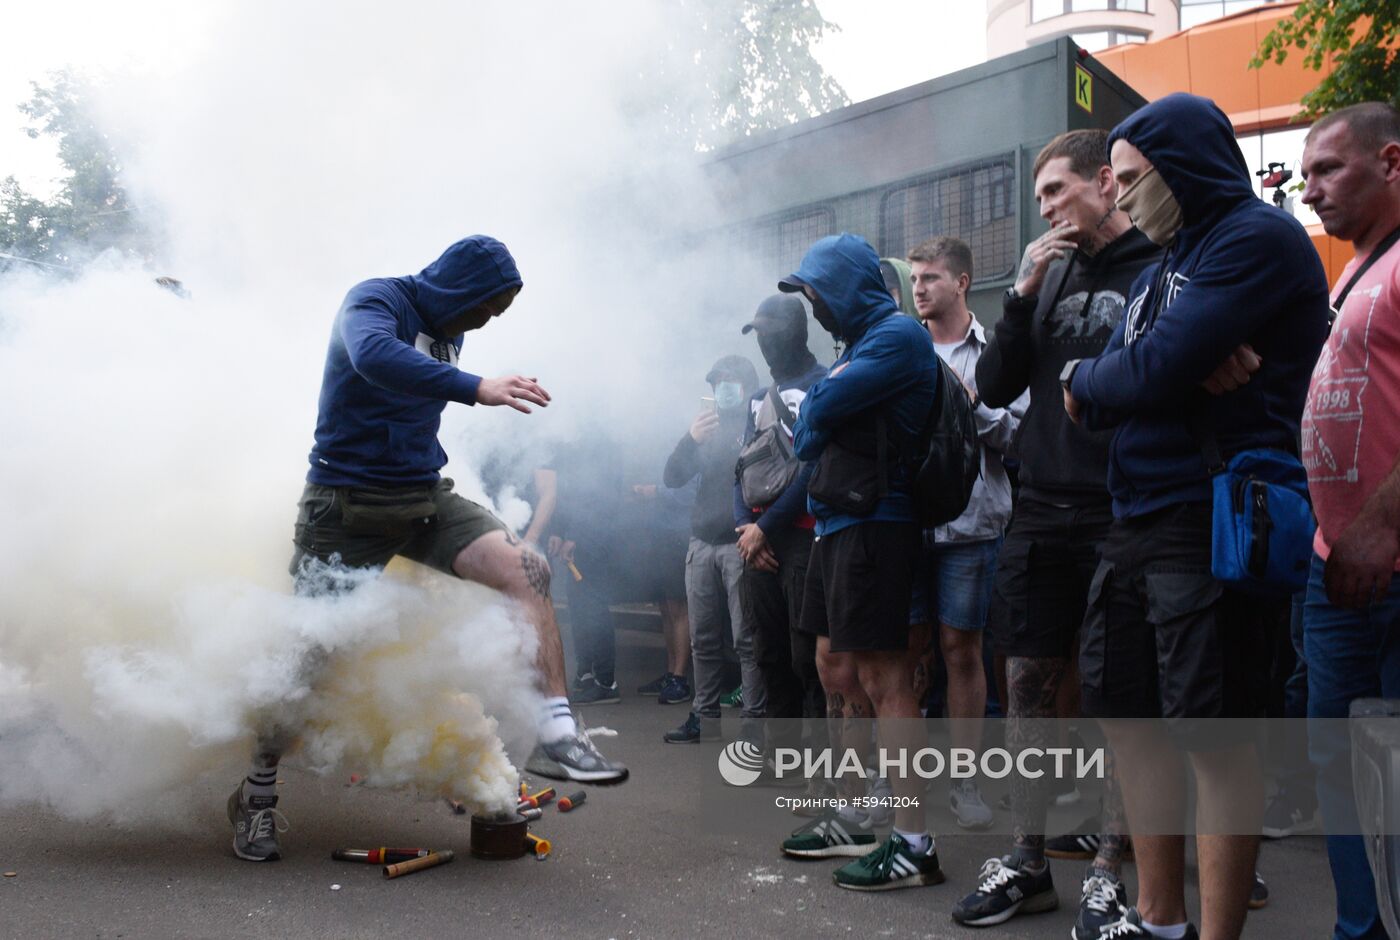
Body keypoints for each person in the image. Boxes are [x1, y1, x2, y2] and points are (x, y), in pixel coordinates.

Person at [227, 236, 628, 863]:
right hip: (345, 509)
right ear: (456, 289)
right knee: (304, 668)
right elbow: (374, 359)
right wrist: (477, 387)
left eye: (498, 312)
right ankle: (255, 796)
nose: (486, 321)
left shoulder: (451, 324)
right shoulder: (375, 300)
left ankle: (559, 731)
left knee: (529, 569)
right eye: (485, 307)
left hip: (422, 499)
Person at [1063, 94, 1330, 938]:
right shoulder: (1152, 276)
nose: (1124, 197)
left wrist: (1139, 373)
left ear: (1183, 165)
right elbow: (1100, 390)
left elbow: (1142, 375)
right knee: (1131, 721)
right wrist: (1124, 373)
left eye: (1136, 179)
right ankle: (1158, 920)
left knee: (1216, 740)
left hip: (1211, 518)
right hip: (1135, 519)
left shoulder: (1257, 238)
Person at [952, 129, 1160, 936]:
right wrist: (1021, 291)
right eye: (1039, 196)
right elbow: (997, 383)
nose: (1043, 208)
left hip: (1124, 506)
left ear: (1106, 183)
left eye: (1054, 192)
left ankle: (1109, 867)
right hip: (1042, 507)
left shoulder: (1155, 266)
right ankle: (1027, 859)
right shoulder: (1049, 274)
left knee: (1118, 697)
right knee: (1027, 690)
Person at [775, 233, 942, 891]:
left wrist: (825, 402)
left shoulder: (898, 337)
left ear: (842, 288)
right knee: (833, 666)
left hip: (879, 524)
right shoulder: (856, 347)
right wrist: (825, 404)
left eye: (815, 293)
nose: (812, 307)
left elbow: (815, 413)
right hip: (836, 523)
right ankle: (851, 813)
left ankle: (914, 843)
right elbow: (806, 437)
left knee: (884, 678)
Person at [1297, 101, 1400, 940]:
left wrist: (1380, 525)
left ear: (1392, 161)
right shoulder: (1352, 270)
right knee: (1341, 768)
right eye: (1307, 175)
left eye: (1328, 169)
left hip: (1386, 561)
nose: (1310, 188)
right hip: (1337, 567)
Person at [905, 235, 1027, 834]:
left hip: (974, 526)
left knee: (962, 650)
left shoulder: (996, 351)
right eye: (914, 279)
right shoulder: (902, 348)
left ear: (961, 282)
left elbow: (1020, 436)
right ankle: (900, 778)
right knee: (905, 652)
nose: (919, 288)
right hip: (907, 528)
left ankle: (965, 780)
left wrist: (968, 405)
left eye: (930, 278)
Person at [733, 295, 829, 789]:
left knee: (805, 655)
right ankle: (781, 756)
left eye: (772, 333)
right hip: (756, 542)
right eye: (759, 335)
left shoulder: (824, 384)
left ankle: (819, 762)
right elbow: (740, 468)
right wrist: (744, 530)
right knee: (767, 651)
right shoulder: (757, 397)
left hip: (801, 540)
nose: (766, 344)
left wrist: (765, 527)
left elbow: (812, 471)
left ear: (795, 332)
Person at [663, 354, 766, 742]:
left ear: (745, 385)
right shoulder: (706, 428)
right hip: (701, 544)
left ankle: (754, 726)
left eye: (729, 380)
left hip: (740, 544)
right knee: (702, 639)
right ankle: (703, 719)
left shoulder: (757, 423)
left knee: (746, 641)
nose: (722, 387)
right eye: (716, 381)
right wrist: (691, 439)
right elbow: (672, 476)